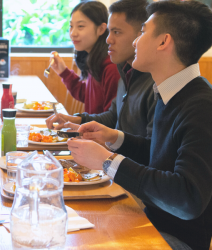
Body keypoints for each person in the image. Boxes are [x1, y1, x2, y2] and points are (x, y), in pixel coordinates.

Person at [68, 1, 212, 249]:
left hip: (174, 239)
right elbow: (162, 156)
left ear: (163, 42)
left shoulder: (201, 104)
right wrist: (115, 138)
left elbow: (188, 197)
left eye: (143, 32)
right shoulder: (171, 91)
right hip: (150, 221)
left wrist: (107, 161)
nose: (136, 41)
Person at [46, 0, 156, 139]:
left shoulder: (115, 68)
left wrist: (107, 147)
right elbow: (113, 115)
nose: (108, 39)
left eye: (116, 32)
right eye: (71, 26)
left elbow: (149, 149)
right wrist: (77, 120)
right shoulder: (123, 70)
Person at [49, 1, 119, 114]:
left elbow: (110, 119)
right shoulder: (94, 58)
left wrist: (77, 122)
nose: (73, 33)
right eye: (71, 26)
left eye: (80, 26)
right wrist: (63, 72)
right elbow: (88, 96)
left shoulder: (111, 67)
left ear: (101, 29)